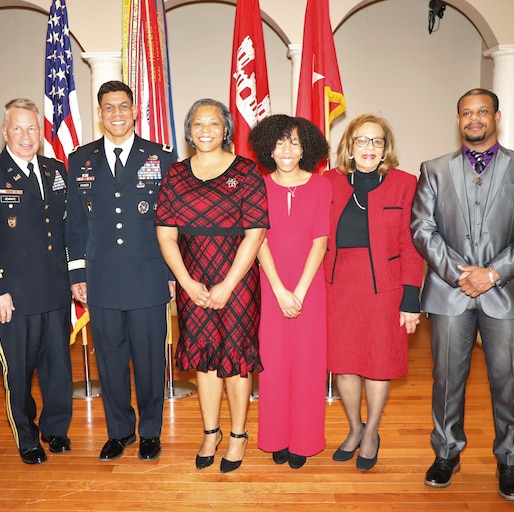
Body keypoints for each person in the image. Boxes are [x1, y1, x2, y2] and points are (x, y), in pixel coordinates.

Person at [411, 89, 514, 502]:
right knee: (446, 380)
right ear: (458, 120)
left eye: (482, 112)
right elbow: (422, 228)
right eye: (466, 113)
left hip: (506, 295)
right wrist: (462, 276)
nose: (474, 119)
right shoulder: (433, 169)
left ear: (496, 117)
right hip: (449, 293)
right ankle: (446, 453)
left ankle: (509, 460)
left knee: (508, 383)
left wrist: (491, 275)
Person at [156, 99, 268, 473]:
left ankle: (237, 435)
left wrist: (228, 284)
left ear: (226, 130)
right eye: (199, 123)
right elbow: (166, 235)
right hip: (193, 281)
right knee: (203, 357)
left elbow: (255, 234)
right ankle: (210, 432)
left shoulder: (246, 171)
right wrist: (186, 282)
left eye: (214, 123)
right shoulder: (175, 174)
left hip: (237, 279)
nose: (206, 129)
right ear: (189, 130)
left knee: (235, 358)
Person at [66, 81, 176, 462]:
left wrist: (172, 273)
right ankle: (119, 432)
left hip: (148, 274)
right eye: (108, 107)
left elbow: (172, 220)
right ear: (100, 114)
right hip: (101, 277)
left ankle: (150, 432)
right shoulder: (79, 159)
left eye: (123, 106)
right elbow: (76, 223)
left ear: (134, 112)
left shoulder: (161, 157)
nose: (116, 113)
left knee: (149, 359)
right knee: (110, 360)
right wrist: (77, 273)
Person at [0, 98, 73, 465]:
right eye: (18, 128)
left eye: (32, 128)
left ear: (41, 132)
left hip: (55, 291)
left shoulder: (56, 170)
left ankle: (56, 429)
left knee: (58, 368)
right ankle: (27, 436)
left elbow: (67, 228)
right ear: (5, 132)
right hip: (12, 296)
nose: (26, 136)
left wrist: (74, 278)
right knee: (19, 373)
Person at [324, 114, 423, 471]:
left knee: (378, 364)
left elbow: (412, 246)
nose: (369, 148)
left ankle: (371, 433)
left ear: (386, 149)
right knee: (344, 364)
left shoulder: (404, 183)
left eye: (376, 141)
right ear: (349, 147)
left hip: (385, 287)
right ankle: (354, 429)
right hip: (337, 286)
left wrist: (411, 298)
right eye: (362, 141)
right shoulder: (329, 182)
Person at [248, 114, 331, 470]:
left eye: (294, 143)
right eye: (280, 142)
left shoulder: (321, 185)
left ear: (306, 148)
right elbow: (258, 240)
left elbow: (320, 240)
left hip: (310, 287)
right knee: (275, 364)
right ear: (269, 146)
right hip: (270, 286)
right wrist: (281, 290)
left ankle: (304, 440)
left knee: (308, 364)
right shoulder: (258, 185)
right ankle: (276, 437)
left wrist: (298, 290)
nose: (286, 149)